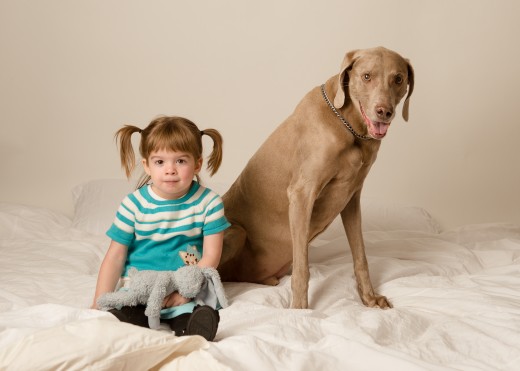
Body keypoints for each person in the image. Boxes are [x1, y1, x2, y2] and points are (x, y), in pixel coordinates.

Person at [91, 116, 230, 341]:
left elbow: (212, 255)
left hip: (184, 285)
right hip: (141, 285)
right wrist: (98, 301)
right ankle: (124, 319)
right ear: (146, 164)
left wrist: (184, 293)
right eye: (160, 162)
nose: (170, 170)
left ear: (197, 164)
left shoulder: (209, 203)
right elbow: (115, 256)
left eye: (181, 161)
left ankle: (195, 326)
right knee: (123, 316)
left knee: (193, 315)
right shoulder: (133, 204)